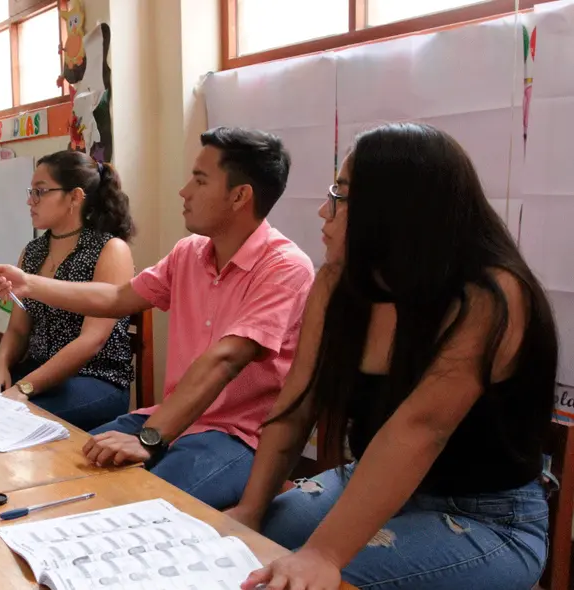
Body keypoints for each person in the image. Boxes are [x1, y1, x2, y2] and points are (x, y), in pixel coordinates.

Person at [230, 123, 557, 590]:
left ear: (396, 211)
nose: (325, 211)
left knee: (312, 579)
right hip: (370, 479)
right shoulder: (337, 281)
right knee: (259, 542)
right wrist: (250, 511)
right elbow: (298, 402)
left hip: (488, 517)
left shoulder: (490, 296)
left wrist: (323, 553)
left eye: (340, 196)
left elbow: (420, 430)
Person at [0, 127, 314, 509]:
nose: (184, 191)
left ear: (240, 195)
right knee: (66, 474)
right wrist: (30, 284)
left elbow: (225, 359)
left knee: (136, 505)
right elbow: (119, 296)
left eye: (199, 180)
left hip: (234, 436)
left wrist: (150, 437)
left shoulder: (285, 268)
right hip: (167, 420)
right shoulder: (190, 253)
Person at [0, 150, 137, 432]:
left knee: (9, 423)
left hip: (94, 380)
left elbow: (91, 340)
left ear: (75, 197)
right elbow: (18, 329)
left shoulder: (110, 249)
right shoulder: (33, 252)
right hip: (37, 373)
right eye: (30, 191)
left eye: (40, 192)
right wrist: (1, 367)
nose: (30, 201)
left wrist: (26, 387)